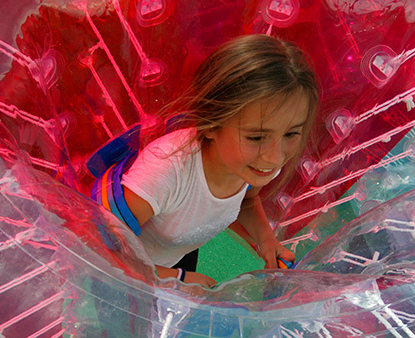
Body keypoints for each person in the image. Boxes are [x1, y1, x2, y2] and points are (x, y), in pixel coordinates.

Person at [121, 34, 319, 287]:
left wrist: (266, 239)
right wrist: (177, 279)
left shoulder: (251, 165)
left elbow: (247, 198)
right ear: (210, 124)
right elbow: (101, 247)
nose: (275, 157)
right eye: (257, 136)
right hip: (122, 273)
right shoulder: (164, 172)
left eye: (291, 134)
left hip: (177, 257)